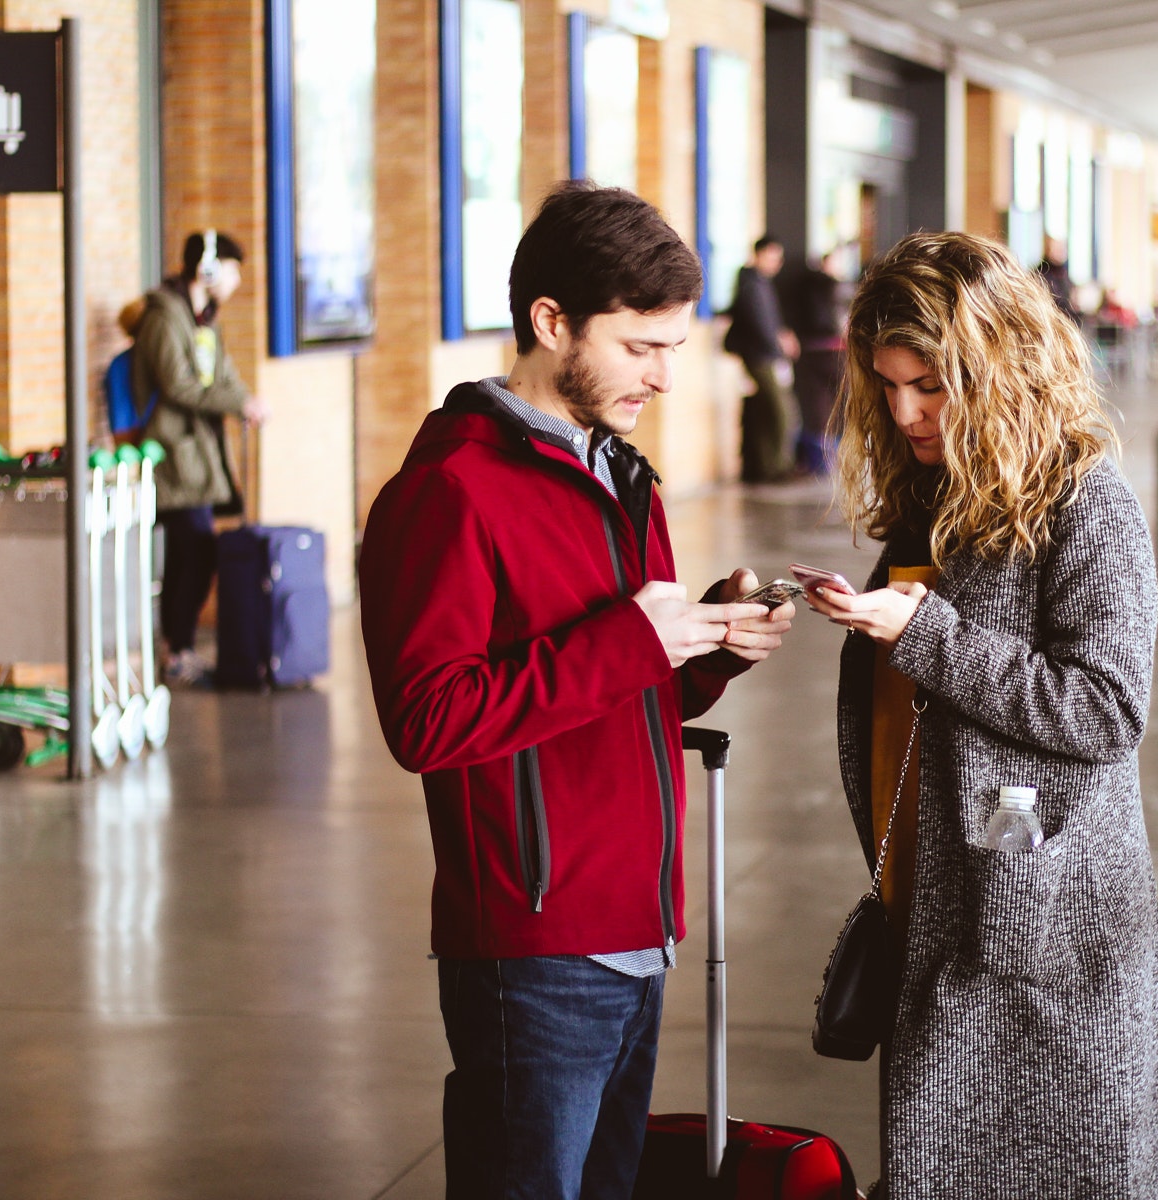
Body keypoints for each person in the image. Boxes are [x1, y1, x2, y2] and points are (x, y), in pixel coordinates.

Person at [357, 181, 795, 1200]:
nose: (665, 377)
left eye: (674, 349)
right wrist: (632, 637)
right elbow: (428, 718)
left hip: (637, 927)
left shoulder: (618, 474)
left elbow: (622, 689)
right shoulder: (448, 493)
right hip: (534, 947)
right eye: (641, 347)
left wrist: (710, 645)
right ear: (552, 322)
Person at [808, 232, 1158, 1197]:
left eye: (928, 384)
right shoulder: (937, 494)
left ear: (997, 366)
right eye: (887, 387)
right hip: (944, 910)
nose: (906, 411)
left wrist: (924, 633)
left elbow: (1104, 708)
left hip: (1053, 935)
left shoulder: (1087, 506)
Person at [136, 230, 268, 686]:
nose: (235, 282)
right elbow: (176, 384)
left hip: (198, 452)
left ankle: (177, 649)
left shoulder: (204, 320)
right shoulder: (164, 318)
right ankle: (177, 650)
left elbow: (223, 376)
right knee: (193, 549)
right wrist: (235, 404)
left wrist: (247, 401)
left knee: (189, 552)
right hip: (172, 452)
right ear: (207, 270)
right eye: (231, 270)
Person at [723, 234, 800, 481]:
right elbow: (761, 325)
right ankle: (776, 468)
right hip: (762, 357)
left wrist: (783, 336)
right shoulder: (751, 284)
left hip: (766, 355)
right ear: (759, 254)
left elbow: (770, 323)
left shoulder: (759, 283)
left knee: (771, 412)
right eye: (772, 256)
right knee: (782, 412)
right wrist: (779, 350)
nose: (776, 263)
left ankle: (772, 466)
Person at [789, 246, 850, 474]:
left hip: (809, 352)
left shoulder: (800, 288)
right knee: (842, 405)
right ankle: (835, 460)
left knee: (816, 408)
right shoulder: (835, 287)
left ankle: (820, 464)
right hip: (835, 352)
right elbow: (841, 321)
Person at [1035, 236, 1078, 321]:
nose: (1061, 252)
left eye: (1062, 249)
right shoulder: (1041, 273)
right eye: (1057, 249)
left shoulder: (1063, 272)